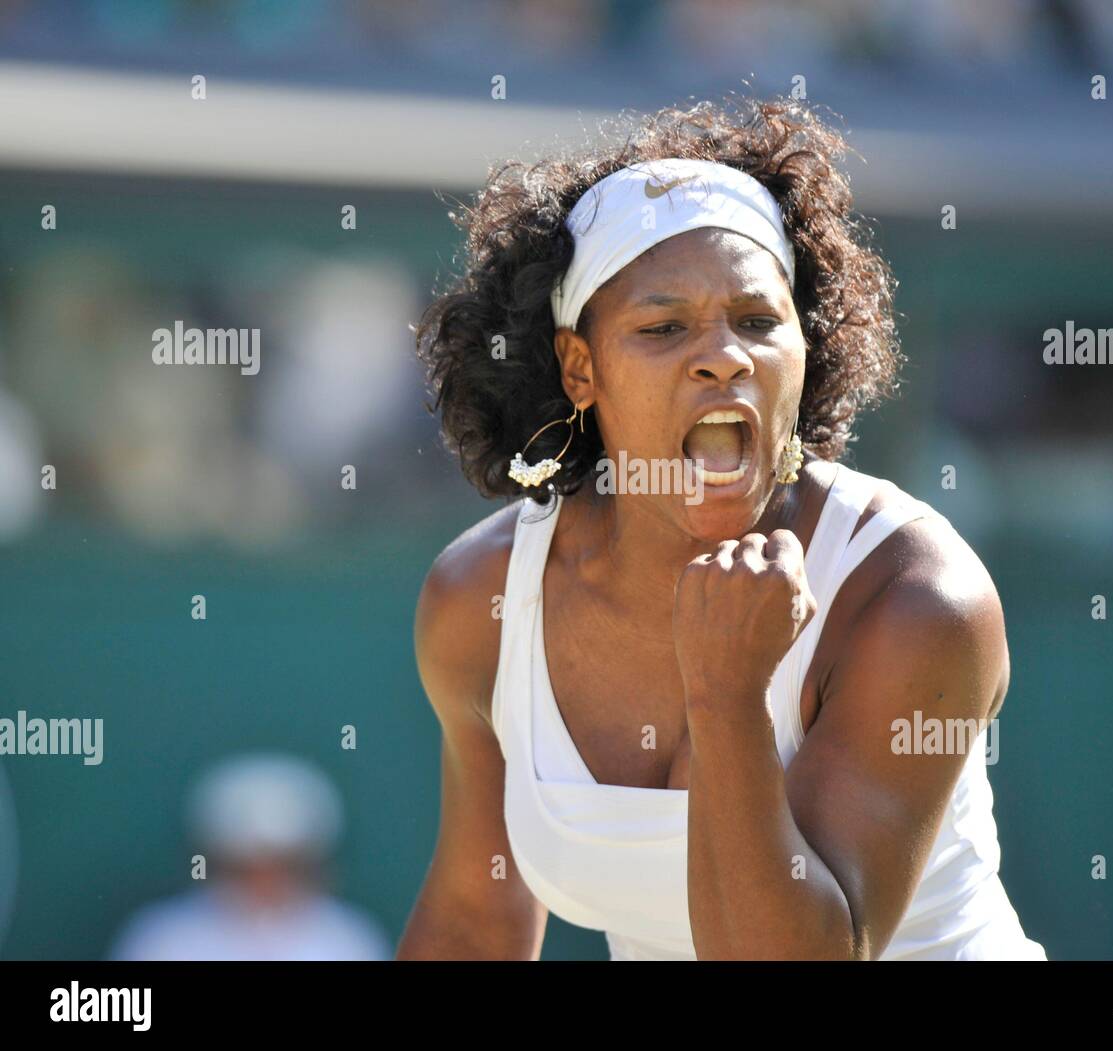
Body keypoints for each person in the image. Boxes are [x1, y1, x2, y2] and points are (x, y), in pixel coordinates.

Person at [398, 97, 1047, 961]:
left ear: (806, 350)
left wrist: (727, 698)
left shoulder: (916, 596)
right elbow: (476, 926)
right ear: (578, 368)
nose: (724, 356)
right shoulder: (479, 600)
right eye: (664, 327)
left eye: (757, 321)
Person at [109, 753, 389, 961]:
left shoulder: (350, 940)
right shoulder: (162, 939)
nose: (265, 883)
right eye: (244, 868)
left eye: (285, 866)